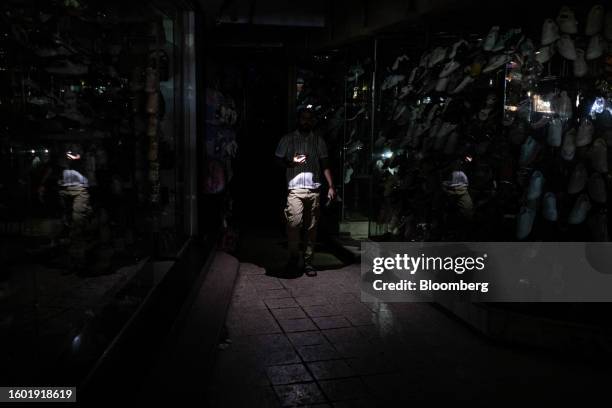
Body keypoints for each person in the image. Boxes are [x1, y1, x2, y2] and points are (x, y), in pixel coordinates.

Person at [275, 109, 336, 276]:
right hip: (295, 189)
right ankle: (294, 257)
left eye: (309, 119)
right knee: (293, 224)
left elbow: (325, 164)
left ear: (313, 121)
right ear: (298, 120)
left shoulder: (318, 141)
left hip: (314, 189)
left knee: (311, 228)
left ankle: (308, 261)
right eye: (303, 118)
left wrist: (331, 186)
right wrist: (290, 163)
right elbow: (277, 160)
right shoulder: (287, 139)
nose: (306, 121)